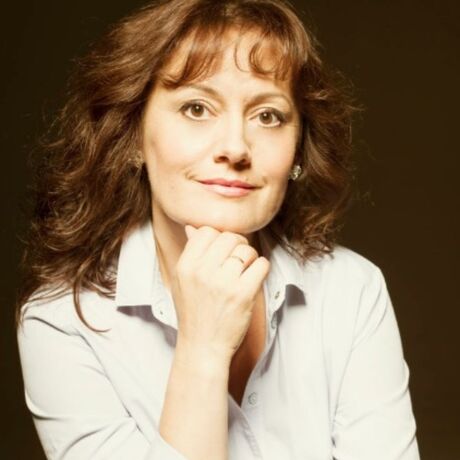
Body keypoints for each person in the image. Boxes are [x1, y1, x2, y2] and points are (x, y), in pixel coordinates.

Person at [16, 0, 421, 459]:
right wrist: (203, 348)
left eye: (267, 116)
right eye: (196, 108)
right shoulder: (64, 321)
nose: (235, 147)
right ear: (132, 137)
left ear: (297, 150)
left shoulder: (351, 290)